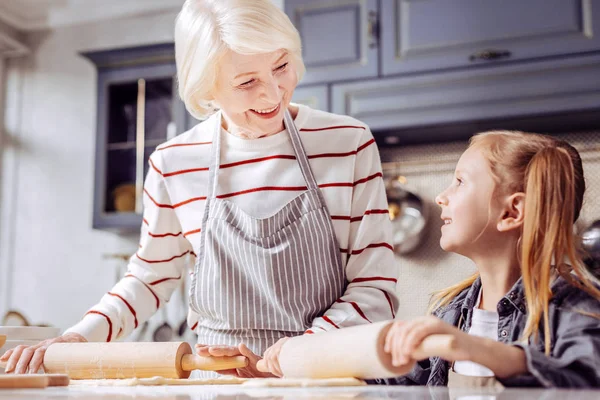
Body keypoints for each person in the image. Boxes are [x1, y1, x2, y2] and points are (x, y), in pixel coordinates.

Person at [1, 0, 399, 378]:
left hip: (323, 376)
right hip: (219, 381)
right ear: (206, 89)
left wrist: (300, 352)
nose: (274, 92)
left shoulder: (348, 142)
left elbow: (375, 288)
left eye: (281, 66)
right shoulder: (174, 162)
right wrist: (78, 338)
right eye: (247, 82)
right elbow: (149, 278)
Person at [377, 131, 600, 388]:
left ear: (511, 212)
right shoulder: (452, 313)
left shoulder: (578, 308)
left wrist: (475, 348)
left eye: (460, 181)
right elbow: (391, 386)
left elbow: (585, 383)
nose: (441, 197)